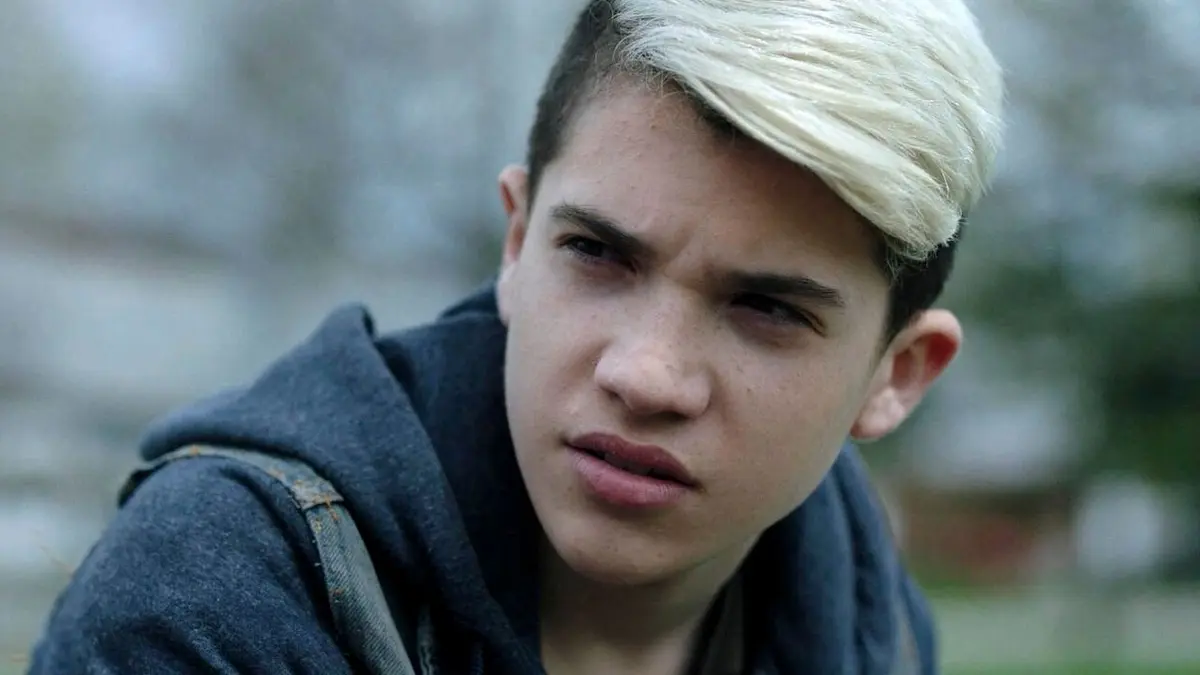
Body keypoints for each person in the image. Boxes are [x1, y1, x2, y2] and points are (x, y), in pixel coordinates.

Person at [30, 0, 1004, 673]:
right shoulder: (226, 592)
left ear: (897, 375)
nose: (646, 374)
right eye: (598, 254)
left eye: (768, 309)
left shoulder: (872, 616)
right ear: (516, 241)